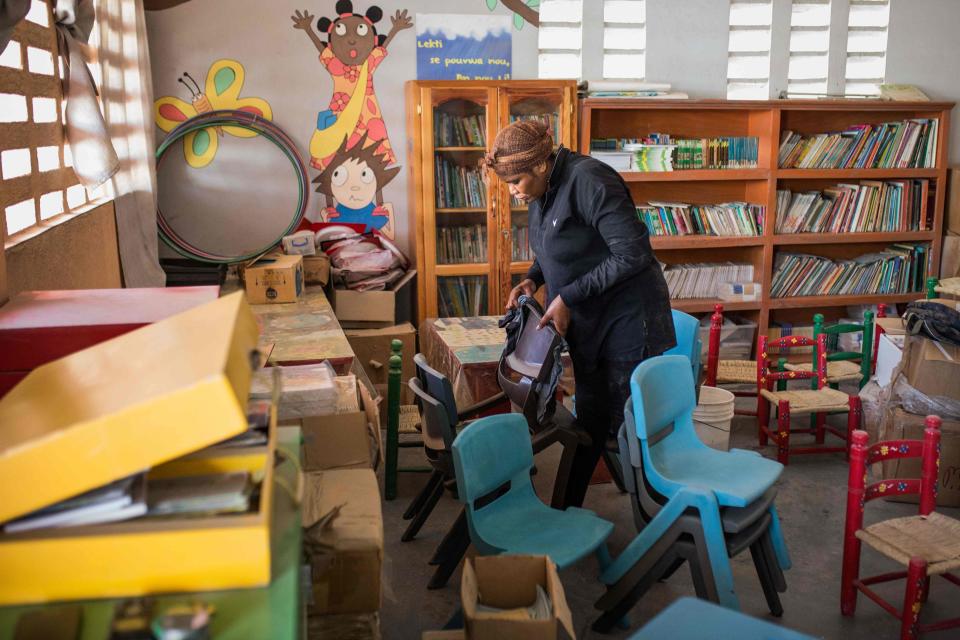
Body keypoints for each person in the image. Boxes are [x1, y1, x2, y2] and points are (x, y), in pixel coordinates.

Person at [481, 120, 676, 509]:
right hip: (591, 319)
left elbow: (632, 254)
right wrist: (533, 280)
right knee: (589, 418)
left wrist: (567, 295)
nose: (512, 191)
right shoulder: (543, 187)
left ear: (539, 165)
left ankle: (661, 520)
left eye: (515, 181)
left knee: (628, 429)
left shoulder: (590, 181)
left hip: (628, 320)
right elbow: (557, 245)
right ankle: (567, 510)